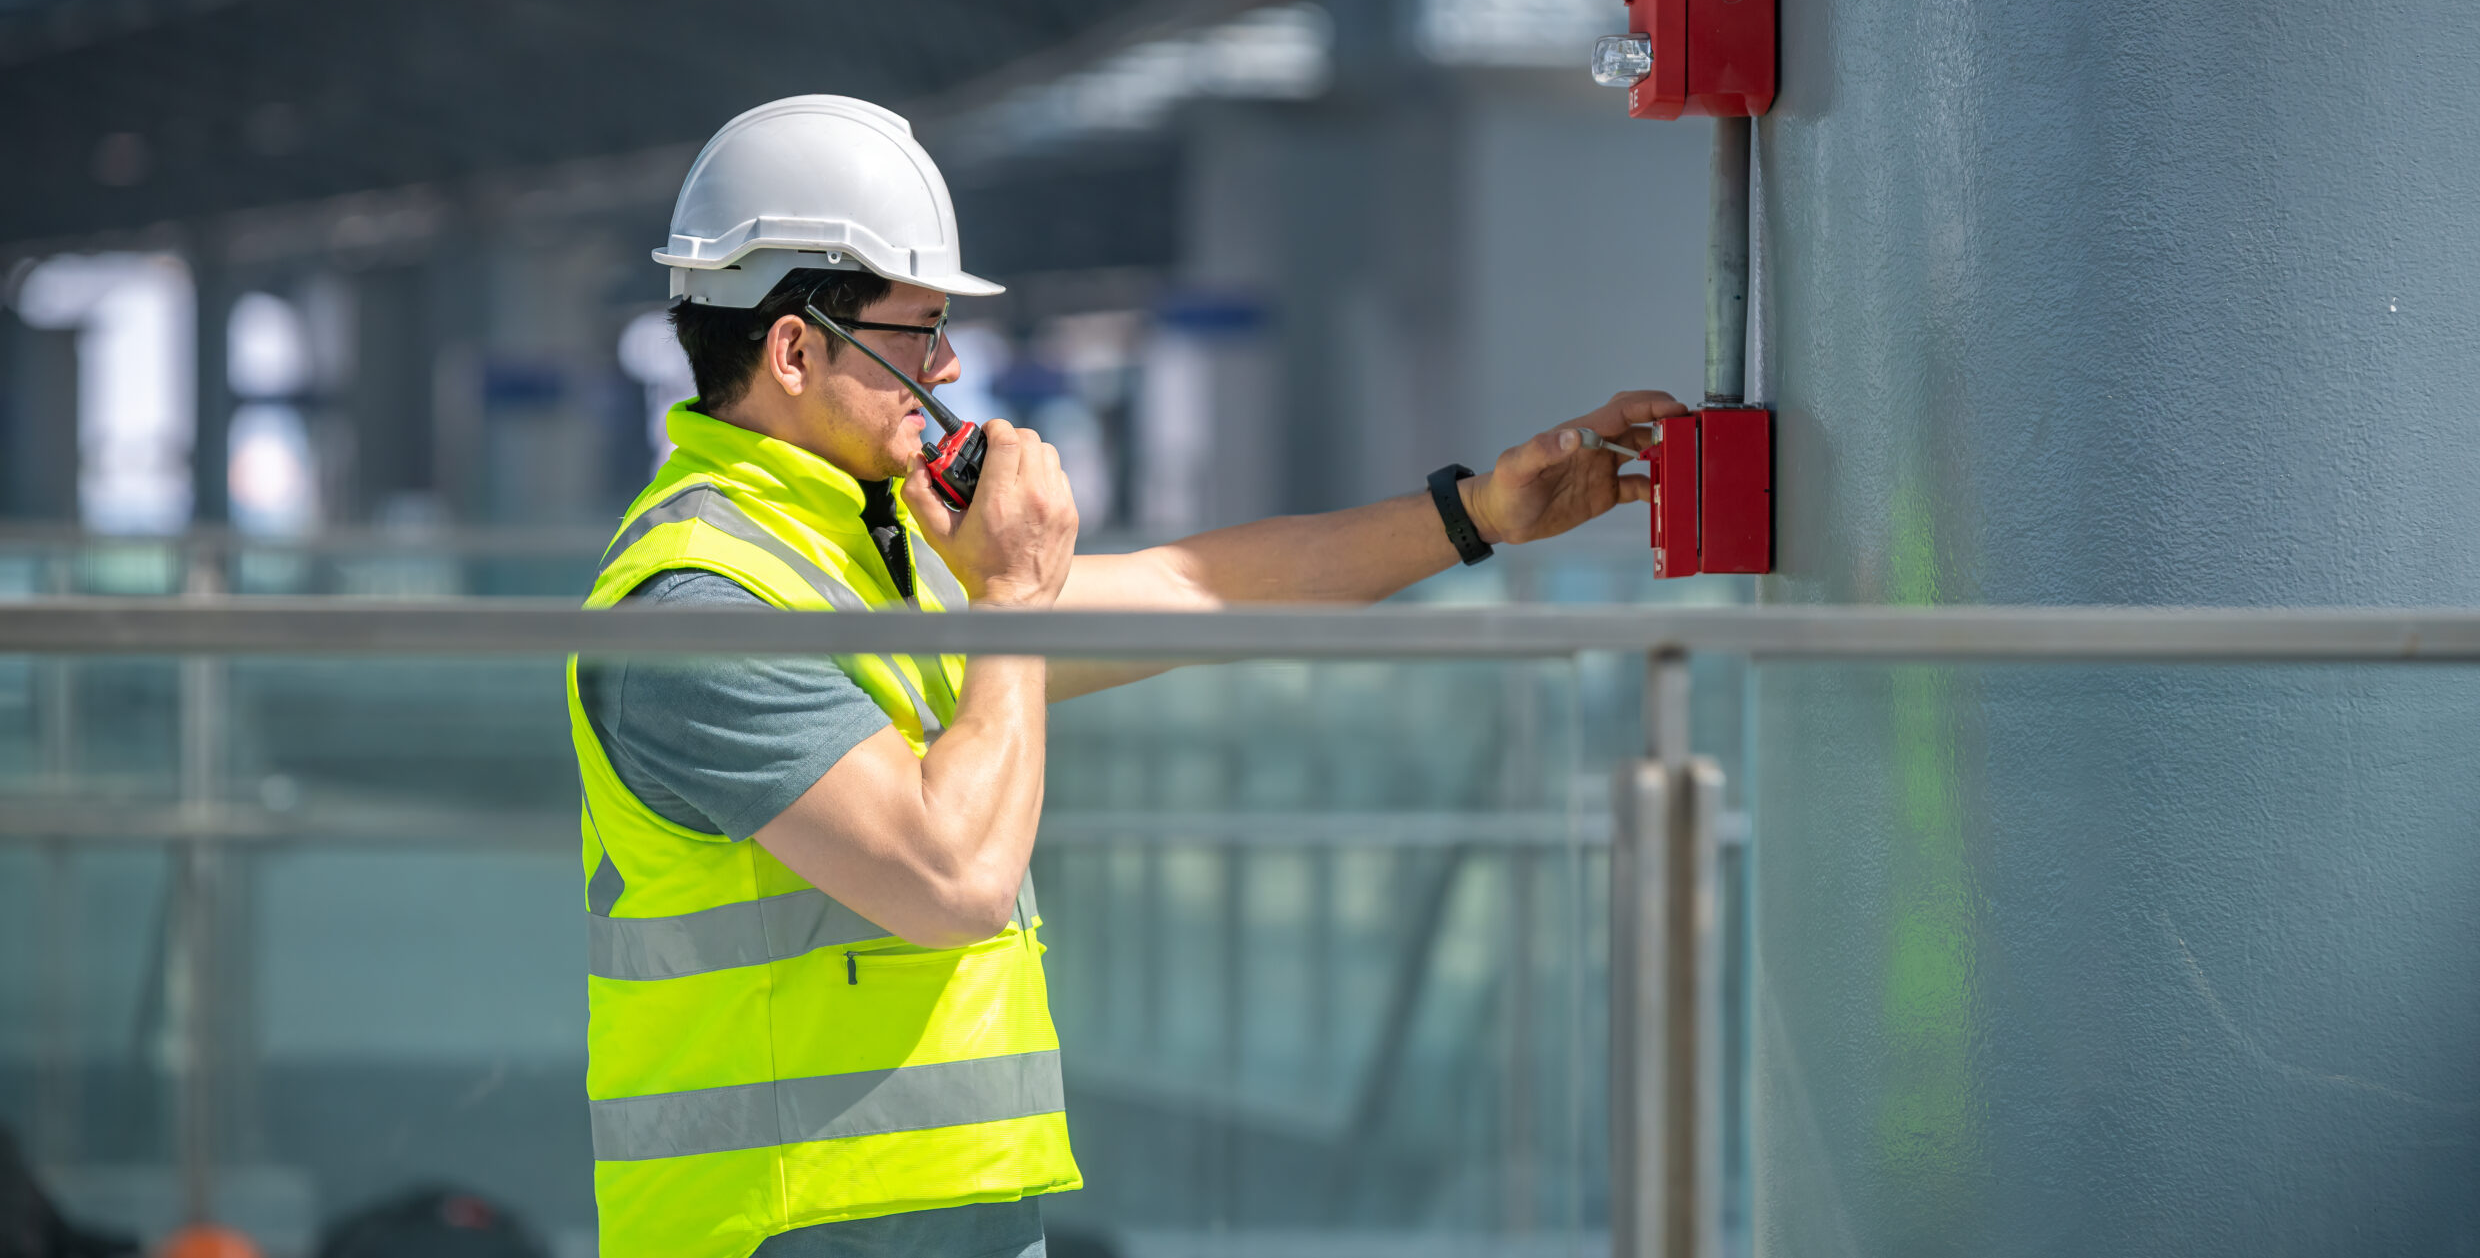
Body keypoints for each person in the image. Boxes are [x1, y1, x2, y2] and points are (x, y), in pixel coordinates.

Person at [569, 96, 1682, 1258]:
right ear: (795, 348)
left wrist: (1477, 514)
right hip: (785, 1231)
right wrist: (1010, 593)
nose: (949, 368)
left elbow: (1194, 588)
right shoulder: (701, 608)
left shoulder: (858, 555)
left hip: (931, 1219)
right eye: (918, 331)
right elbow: (951, 879)